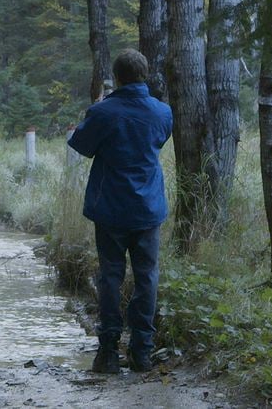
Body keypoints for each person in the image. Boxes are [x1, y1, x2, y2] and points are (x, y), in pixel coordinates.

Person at [67, 49, 173, 374]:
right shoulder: (162, 112)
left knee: (110, 276)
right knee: (147, 277)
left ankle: (109, 353)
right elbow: (156, 142)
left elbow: (81, 145)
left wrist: (97, 107)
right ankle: (142, 352)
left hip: (111, 207)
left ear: (119, 76)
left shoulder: (103, 112)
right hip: (147, 207)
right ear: (144, 75)